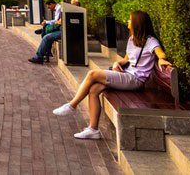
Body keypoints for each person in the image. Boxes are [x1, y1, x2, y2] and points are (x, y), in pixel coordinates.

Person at [52, 10, 171, 140]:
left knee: (92, 74)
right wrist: (116, 63)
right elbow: (127, 59)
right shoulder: (132, 39)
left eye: (130, 20)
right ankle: (93, 129)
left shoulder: (150, 41)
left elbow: (159, 52)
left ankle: (72, 105)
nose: (128, 22)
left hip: (135, 80)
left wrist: (162, 59)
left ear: (137, 23)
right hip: (126, 74)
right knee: (93, 90)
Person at [29, 0, 62, 64]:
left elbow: (57, 21)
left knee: (46, 36)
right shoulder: (60, 8)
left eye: (49, 7)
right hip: (61, 28)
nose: (49, 9)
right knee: (46, 33)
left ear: (52, 4)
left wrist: (47, 22)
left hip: (63, 30)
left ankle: (40, 56)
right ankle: (46, 53)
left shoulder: (59, 8)